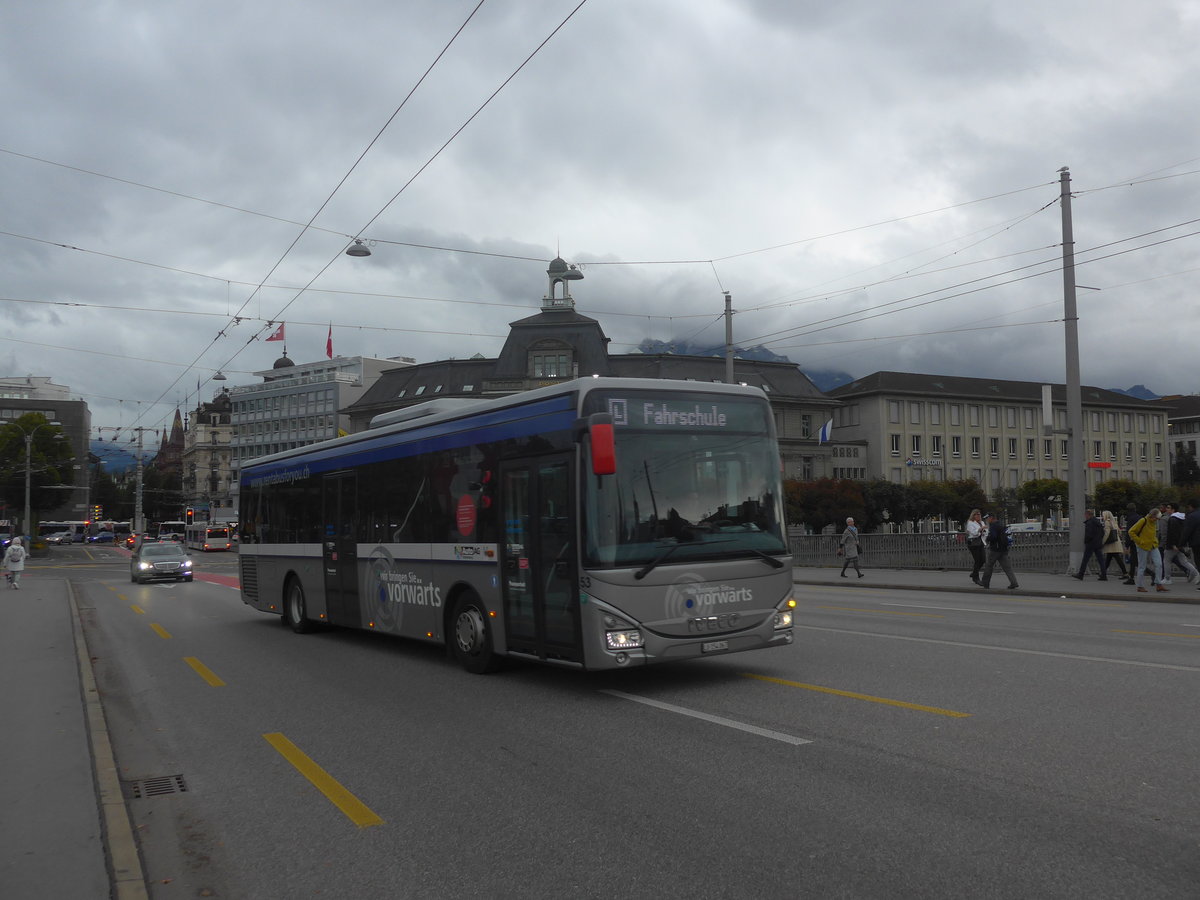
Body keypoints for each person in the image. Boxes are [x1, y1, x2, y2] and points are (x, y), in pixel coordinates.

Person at [1127, 507, 1167, 594]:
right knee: (1142, 566)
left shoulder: (1153, 522)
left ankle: (1158, 583)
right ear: (1152, 515)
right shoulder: (1143, 520)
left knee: (1159, 564)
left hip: (1153, 545)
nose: (1157, 520)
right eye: (1156, 518)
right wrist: (1139, 541)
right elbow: (1131, 531)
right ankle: (1140, 586)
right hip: (1143, 546)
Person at [1160, 502, 1198, 585]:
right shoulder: (1183, 518)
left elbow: (1172, 533)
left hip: (1172, 544)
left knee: (1166, 561)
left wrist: (1172, 544)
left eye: (1168, 508)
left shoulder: (1172, 519)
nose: (1167, 509)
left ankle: (1167, 578)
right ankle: (1196, 573)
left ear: (1173, 509)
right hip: (1180, 543)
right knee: (1184, 561)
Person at [979, 512, 1018, 590]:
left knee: (989, 566)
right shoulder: (1001, 524)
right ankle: (1014, 582)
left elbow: (993, 537)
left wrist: (987, 538)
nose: (987, 520)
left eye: (987, 518)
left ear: (991, 518)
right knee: (1007, 567)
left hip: (995, 550)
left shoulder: (993, 526)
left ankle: (985, 583)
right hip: (1004, 549)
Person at [1071, 509, 1106, 580]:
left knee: (1085, 559)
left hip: (1091, 544)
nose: (1085, 516)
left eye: (1085, 515)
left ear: (1088, 514)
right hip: (1098, 543)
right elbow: (1102, 532)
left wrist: (1086, 541)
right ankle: (1104, 575)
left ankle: (1081, 574)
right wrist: (1099, 540)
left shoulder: (1089, 522)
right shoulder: (1098, 521)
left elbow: (1089, 534)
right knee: (1101, 560)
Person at [1099, 510, 1127, 580]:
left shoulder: (1107, 522)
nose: (1102, 517)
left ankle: (1125, 573)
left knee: (1115, 559)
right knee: (1110, 559)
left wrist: (1103, 542)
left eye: (1103, 515)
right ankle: (1103, 573)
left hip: (1111, 544)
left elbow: (1107, 533)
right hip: (1116, 542)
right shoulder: (1114, 522)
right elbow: (1119, 532)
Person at [964, 508, 987, 585]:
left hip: (981, 542)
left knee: (983, 559)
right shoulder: (970, 523)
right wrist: (980, 529)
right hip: (973, 543)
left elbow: (985, 532)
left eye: (979, 514)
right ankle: (976, 578)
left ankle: (974, 573)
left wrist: (984, 531)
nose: (979, 516)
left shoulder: (982, 522)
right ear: (973, 515)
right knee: (977, 560)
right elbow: (974, 533)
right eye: (977, 514)